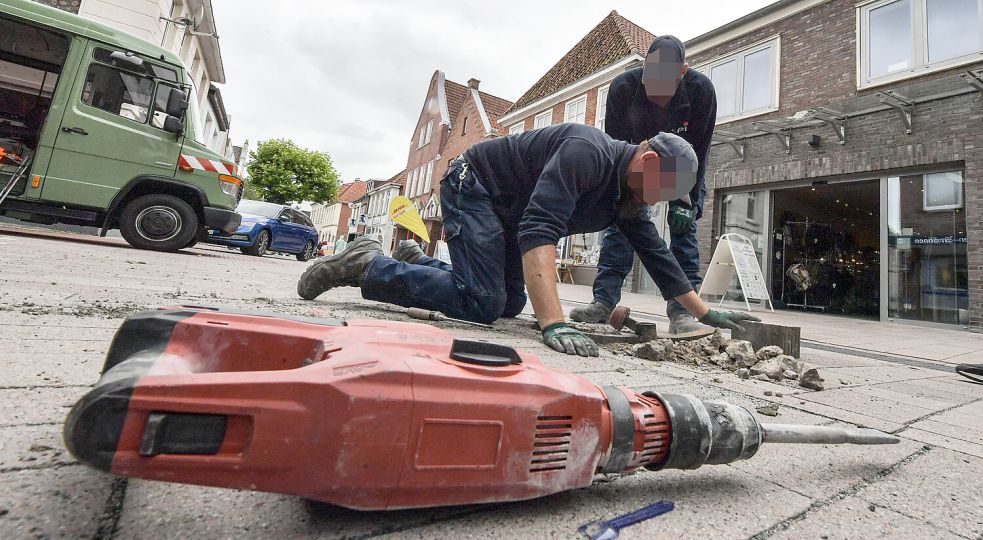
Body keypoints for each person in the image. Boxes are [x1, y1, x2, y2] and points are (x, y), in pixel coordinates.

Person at [296, 123, 757, 357]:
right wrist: (554, 322)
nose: (660, 200)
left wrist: (703, 311)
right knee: (482, 302)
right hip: (473, 185)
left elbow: (657, 255)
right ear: (650, 159)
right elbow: (539, 229)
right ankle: (366, 267)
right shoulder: (588, 152)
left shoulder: (628, 195)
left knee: (507, 304)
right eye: (665, 188)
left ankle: (414, 260)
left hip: (503, 216)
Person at [569, 35, 717, 338]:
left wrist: (688, 203)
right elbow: (614, 151)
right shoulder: (623, 88)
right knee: (620, 222)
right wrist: (623, 195)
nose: (656, 91)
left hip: (681, 166)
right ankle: (604, 301)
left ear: (683, 71)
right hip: (636, 158)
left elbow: (699, 155)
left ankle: (682, 312)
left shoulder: (702, 92)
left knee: (683, 229)